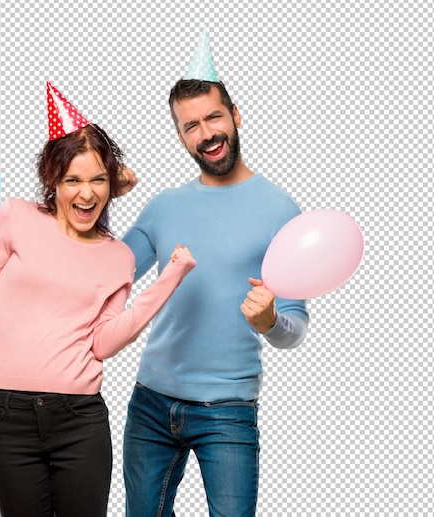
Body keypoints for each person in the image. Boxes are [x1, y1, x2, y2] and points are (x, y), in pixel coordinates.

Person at [0, 82, 195, 517]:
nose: (86, 193)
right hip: (9, 417)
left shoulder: (118, 256)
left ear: (110, 184)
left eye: (97, 180)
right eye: (72, 179)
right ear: (52, 180)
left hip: (81, 421)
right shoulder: (16, 217)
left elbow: (104, 344)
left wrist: (169, 279)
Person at [121, 33, 310, 517]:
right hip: (150, 405)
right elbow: (106, 272)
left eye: (212, 117)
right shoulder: (164, 206)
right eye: (190, 126)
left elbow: (293, 328)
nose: (205, 133)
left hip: (228, 412)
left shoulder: (281, 210)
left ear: (235, 116)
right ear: (181, 137)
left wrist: (269, 320)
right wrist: (104, 194)